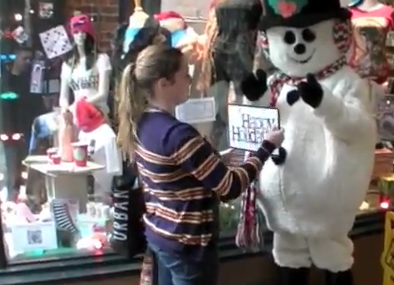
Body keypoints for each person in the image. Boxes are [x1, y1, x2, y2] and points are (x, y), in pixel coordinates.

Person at [115, 44, 284, 285]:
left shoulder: (144, 122)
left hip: (162, 236)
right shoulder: (177, 134)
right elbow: (230, 187)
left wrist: (216, 160)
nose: (191, 80)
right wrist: (266, 147)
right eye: (185, 75)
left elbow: (174, 172)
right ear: (164, 83)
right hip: (188, 244)